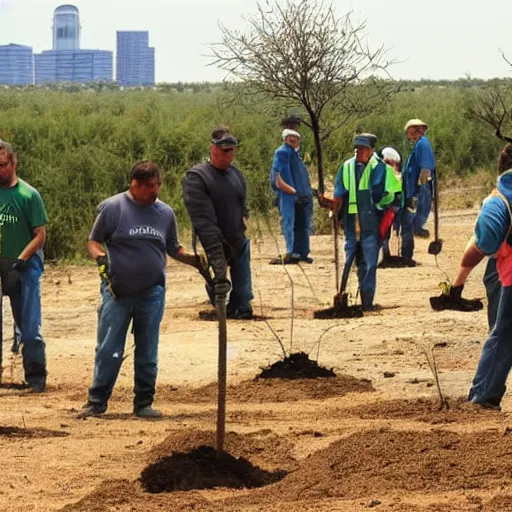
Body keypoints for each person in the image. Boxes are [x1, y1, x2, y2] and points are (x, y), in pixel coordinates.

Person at [79, 161, 201, 418]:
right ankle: (97, 402)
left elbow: (173, 248)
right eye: (151, 187)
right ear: (135, 185)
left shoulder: (165, 213)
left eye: (157, 185)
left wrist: (197, 260)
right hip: (118, 292)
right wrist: (101, 259)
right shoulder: (113, 208)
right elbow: (93, 241)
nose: (155, 191)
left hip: (152, 293)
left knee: (147, 349)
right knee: (110, 348)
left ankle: (143, 403)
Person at [446, 143, 512, 410]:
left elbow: (484, 243)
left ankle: (483, 397)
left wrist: (460, 277)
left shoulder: (499, 201)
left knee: (503, 335)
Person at [319, 134, 399, 310]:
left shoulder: (381, 169)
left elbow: (389, 195)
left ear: (371, 150)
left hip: (371, 223)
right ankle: (343, 295)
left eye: (362, 149)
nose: (358, 152)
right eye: (356, 149)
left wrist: (380, 207)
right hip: (351, 223)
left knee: (369, 263)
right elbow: (340, 194)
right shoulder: (346, 167)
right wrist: (331, 203)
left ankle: (367, 302)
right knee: (351, 261)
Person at [183, 127, 253, 320]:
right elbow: (203, 222)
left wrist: (241, 225)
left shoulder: (236, 174)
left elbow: (241, 206)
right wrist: (218, 260)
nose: (229, 155)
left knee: (243, 290)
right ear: (212, 149)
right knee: (218, 281)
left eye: (232, 150)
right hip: (211, 240)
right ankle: (219, 302)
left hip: (237, 238)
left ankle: (242, 306)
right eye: (224, 151)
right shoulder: (197, 177)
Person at [0, 140, 48, 392]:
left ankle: (36, 376)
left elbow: (40, 235)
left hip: (25, 265)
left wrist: (20, 262)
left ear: (13, 162)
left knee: (29, 325)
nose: (0, 171)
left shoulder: (29, 195)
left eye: (3, 165)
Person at [269, 128, 313, 264]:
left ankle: (302, 252)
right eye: (289, 137)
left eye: (295, 137)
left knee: (303, 225)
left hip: (302, 195)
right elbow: (279, 176)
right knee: (290, 222)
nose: (292, 139)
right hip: (290, 195)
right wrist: (291, 191)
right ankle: (291, 252)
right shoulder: (282, 152)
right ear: (285, 139)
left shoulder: (296, 154)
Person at [402, 119, 436, 263]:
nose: (409, 136)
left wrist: (419, 188)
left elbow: (425, 169)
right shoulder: (419, 145)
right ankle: (406, 255)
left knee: (412, 217)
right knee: (407, 220)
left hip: (419, 189)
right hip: (414, 189)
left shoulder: (423, 143)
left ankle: (418, 227)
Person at [379, 147, 403, 261]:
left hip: (380, 204)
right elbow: (395, 188)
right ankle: (384, 254)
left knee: (383, 230)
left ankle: (383, 254)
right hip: (387, 204)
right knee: (384, 230)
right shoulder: (387, 170)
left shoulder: (377, 168)